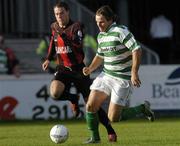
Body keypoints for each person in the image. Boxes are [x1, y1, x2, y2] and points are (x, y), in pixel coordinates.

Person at [42, 2, 117, 142]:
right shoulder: (54, 27)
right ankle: (73, 99)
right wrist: (48, 58)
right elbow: (53, 42)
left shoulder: (77, 26)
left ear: (68, 12)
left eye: (61, 13)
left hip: (79, 69)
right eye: (57, 14)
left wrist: (64, 36)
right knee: (54, 93)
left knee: (92, 104)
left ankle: (110, 130)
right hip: (63, 69)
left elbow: (77, 44)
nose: (59, 16)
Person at [83, 5, 155, 143]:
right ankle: (95, 138)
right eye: (97, 22)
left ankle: (142, 108)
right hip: (106, 75)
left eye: (102, 21)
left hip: (122, 79)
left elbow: (137, 50)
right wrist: (90, 68)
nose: (98, 25)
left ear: (110, 20)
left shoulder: (121, 31)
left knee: (113, 118)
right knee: (90, 105)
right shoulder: (101, 35)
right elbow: (100, 55)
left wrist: (134, 72)